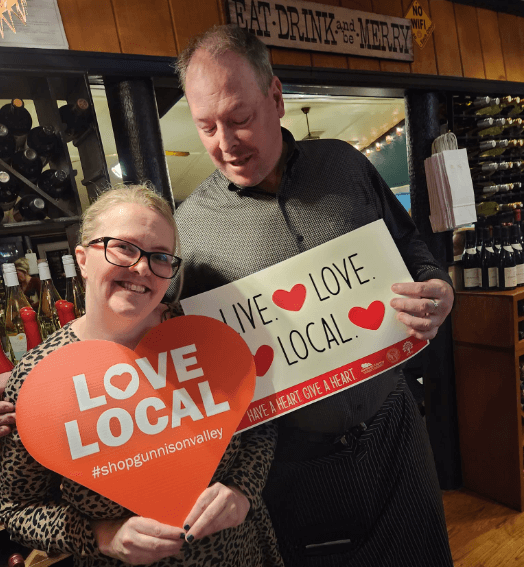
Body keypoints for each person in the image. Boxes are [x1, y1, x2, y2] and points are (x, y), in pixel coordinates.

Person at [170, 24, 455, 567]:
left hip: (398, 440)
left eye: (240, 118)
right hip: (294, 477)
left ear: (275, 97)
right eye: (206, 126)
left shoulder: (345, 164)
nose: (224, 144)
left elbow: (410, 246)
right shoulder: (189, 233)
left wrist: (437, 286)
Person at [0, 185, 283, 567]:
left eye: (160, 256)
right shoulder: (39, 377)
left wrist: (242, 490)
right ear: (82, 259)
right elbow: (15, 508)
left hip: (240, 554)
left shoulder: (204, 334)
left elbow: (259, 423)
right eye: (123, 248)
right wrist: (103, 535)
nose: (142, 267)